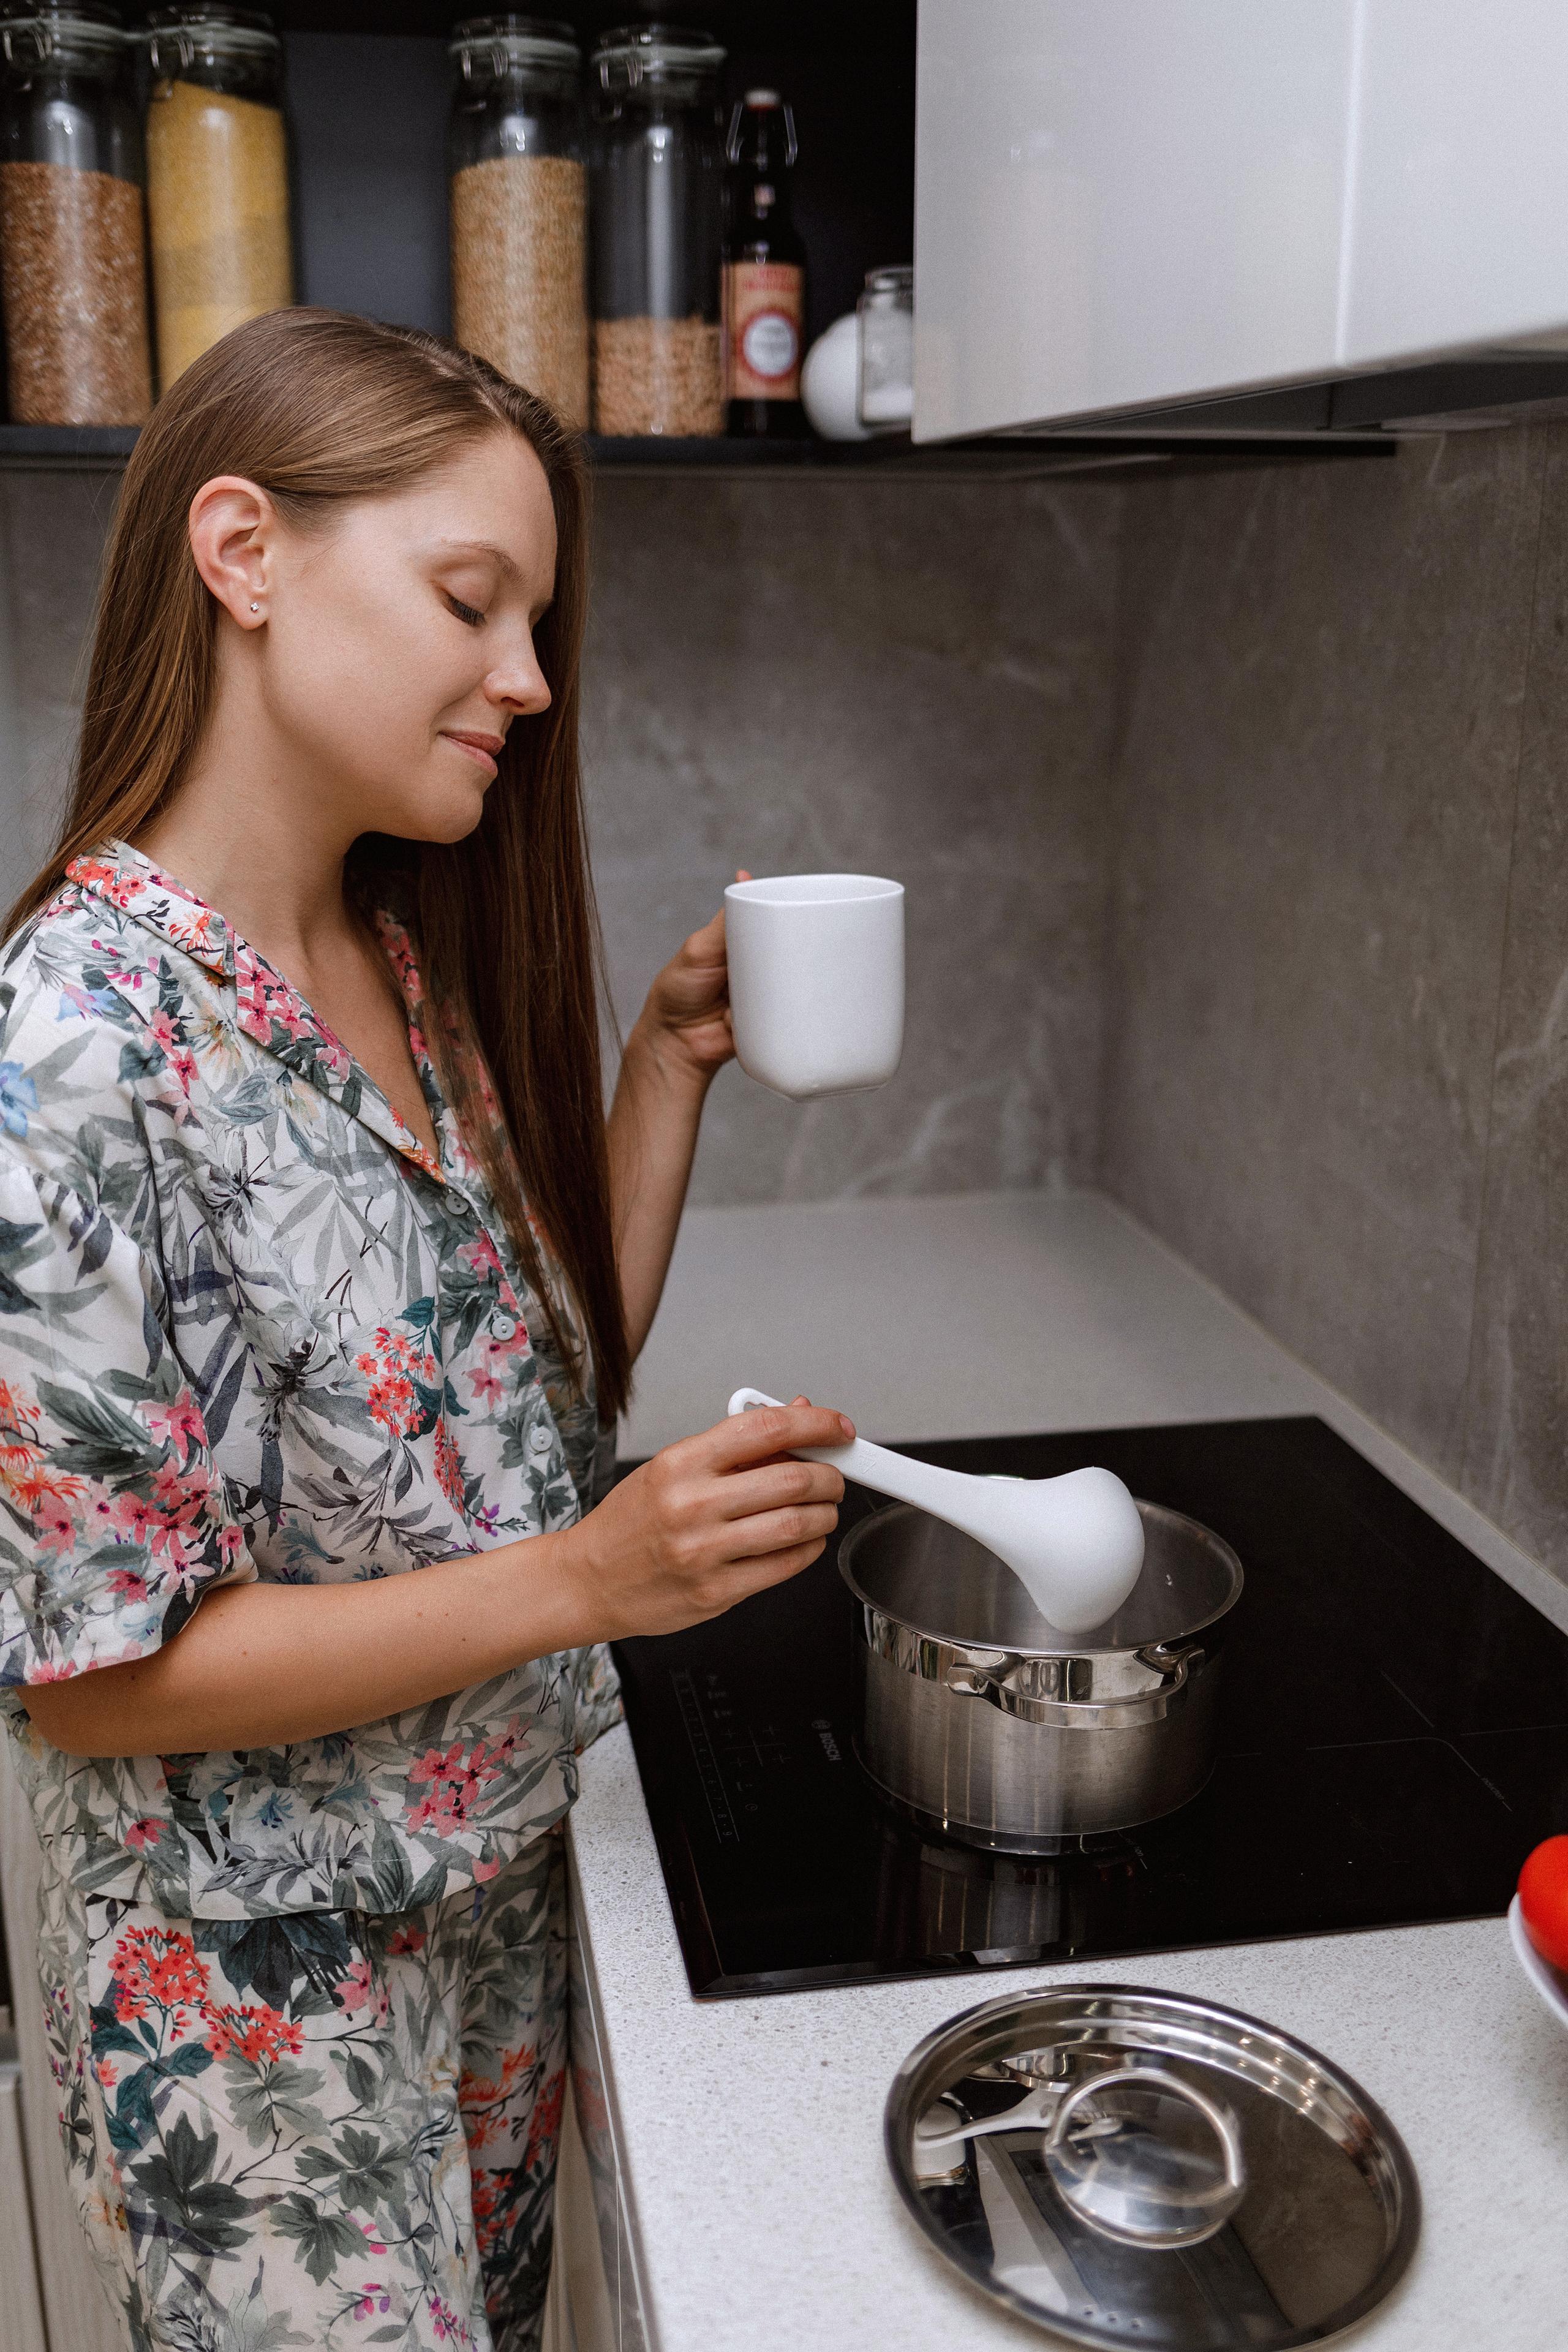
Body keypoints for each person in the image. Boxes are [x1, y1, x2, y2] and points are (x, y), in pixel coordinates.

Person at [0, 308, 852, 2352]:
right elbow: (101, 1685)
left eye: (534, 617)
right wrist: (589, 1582)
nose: (530, 679)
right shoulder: (73, 1053)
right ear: (245, 553)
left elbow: (522, 1417)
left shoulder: (394, 961)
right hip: (257, 2011)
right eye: (474, 599)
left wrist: (662, 1074)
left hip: (483, 1904)